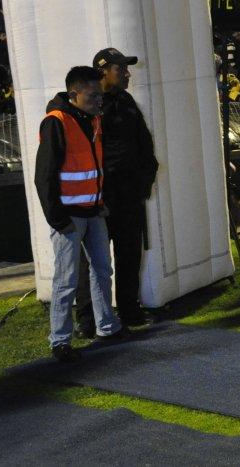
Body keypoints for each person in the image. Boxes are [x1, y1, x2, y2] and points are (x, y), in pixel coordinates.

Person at [34, 66, 126, 363]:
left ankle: (107, 327)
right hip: (71, 217)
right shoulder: (56, 122)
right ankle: (60, 341)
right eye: (93, 94)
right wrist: (57, 219)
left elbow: (93, 167)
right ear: (74, 94)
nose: (99, 99)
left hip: (92, 211)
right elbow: (44, 176)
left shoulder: (92, 119)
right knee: (67, 279)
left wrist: (100, 203)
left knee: (101, 271)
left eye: (99, 94)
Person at [74, 48, 158, 336]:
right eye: (121, 68)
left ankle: (129, 311)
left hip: (129, 196)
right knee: (93, 261)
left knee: (129, 254)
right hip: (100, 199)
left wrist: (144, 182)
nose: (126, 73)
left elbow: (145, 145)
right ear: (103, 71)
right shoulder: (89, 106)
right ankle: (87, 320)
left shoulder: (127, 101)